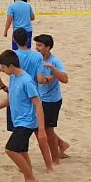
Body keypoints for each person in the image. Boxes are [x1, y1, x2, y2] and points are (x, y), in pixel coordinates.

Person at [0, 50, 49, 182]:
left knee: (10, 149)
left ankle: (30, 178)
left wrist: (41, 129)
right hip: (19, 120)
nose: (2, 70)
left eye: (3, 67)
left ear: (11, 66)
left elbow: (38, 104)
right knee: (22, 151)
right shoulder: (14, 77)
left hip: (27, 122)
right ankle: (29, 177)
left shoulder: (27, 81)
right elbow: (11, 98)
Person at [33, 34, 70, 163]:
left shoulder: (55, 61)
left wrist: (52, 69)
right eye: (36, 45)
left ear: (48, 47)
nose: (37, 48)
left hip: (52, 100)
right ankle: (61, 144)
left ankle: (55, 159)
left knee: (48, 130)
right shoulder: (36, 59)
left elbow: (65, 79)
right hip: (39, 99)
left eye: (40, 45)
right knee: (40, 128)